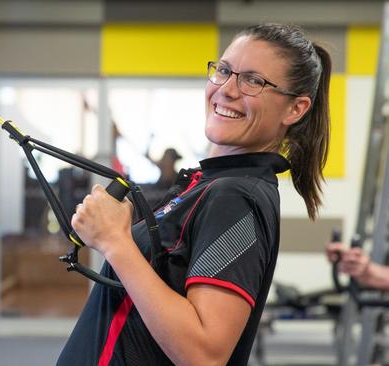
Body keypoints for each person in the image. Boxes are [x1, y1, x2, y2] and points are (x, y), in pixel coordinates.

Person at [57, 23, 331, 365]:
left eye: (253, 81)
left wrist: (116, 242)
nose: (227, 89)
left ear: (296, 109)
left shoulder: (235, 197)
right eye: (225, 71)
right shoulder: (210, 184)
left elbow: (204, 354)